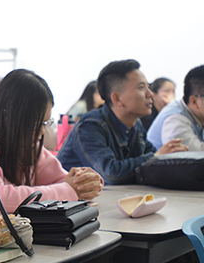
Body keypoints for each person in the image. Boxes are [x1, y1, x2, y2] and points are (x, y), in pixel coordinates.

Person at [0, 69, 104, 215]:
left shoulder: (20, 139)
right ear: (9, 116)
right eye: (36, 124)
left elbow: (61, 180)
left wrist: (84, 182)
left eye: (45, 123)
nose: (41, 131)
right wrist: (68, 190)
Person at [58, 60, 187, 185]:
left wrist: (168, 157)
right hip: (67, 198)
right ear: (117, 98)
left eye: (148, 87)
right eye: (141, 87)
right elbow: (110, 174)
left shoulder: (135, 125)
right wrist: (155, 157)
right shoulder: (91, 125)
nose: (150, 94)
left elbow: (150, 158)